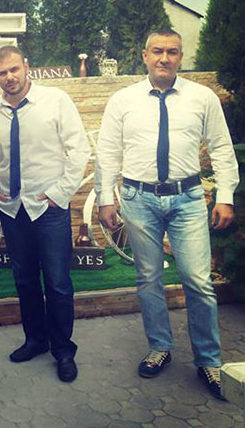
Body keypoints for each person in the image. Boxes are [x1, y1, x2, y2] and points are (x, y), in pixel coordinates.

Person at [95, 28, 238, 400]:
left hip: (187, 199)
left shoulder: (202, 97)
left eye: (172, 52)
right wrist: (105, 198)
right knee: (148, 278)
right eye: (157, 51)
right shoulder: (123, 100)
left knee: (198, 280)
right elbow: (107, 151)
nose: (164, 58)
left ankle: (209, 361)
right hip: (138, 198)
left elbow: (222, 148)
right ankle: (159, 347)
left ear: (180, 57)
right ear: (145, 55)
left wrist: (224, 196)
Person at [0, 45, 90, 383]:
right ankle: (36, 340)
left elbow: (79, 149)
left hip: (48, 208)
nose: (9, 77)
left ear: (27, 66)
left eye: (14, 69)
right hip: (12, 209)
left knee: (57, 282)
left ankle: (63, 350)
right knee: (24, 280)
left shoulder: (56, 101)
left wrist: (59, 193)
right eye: (1, 73)